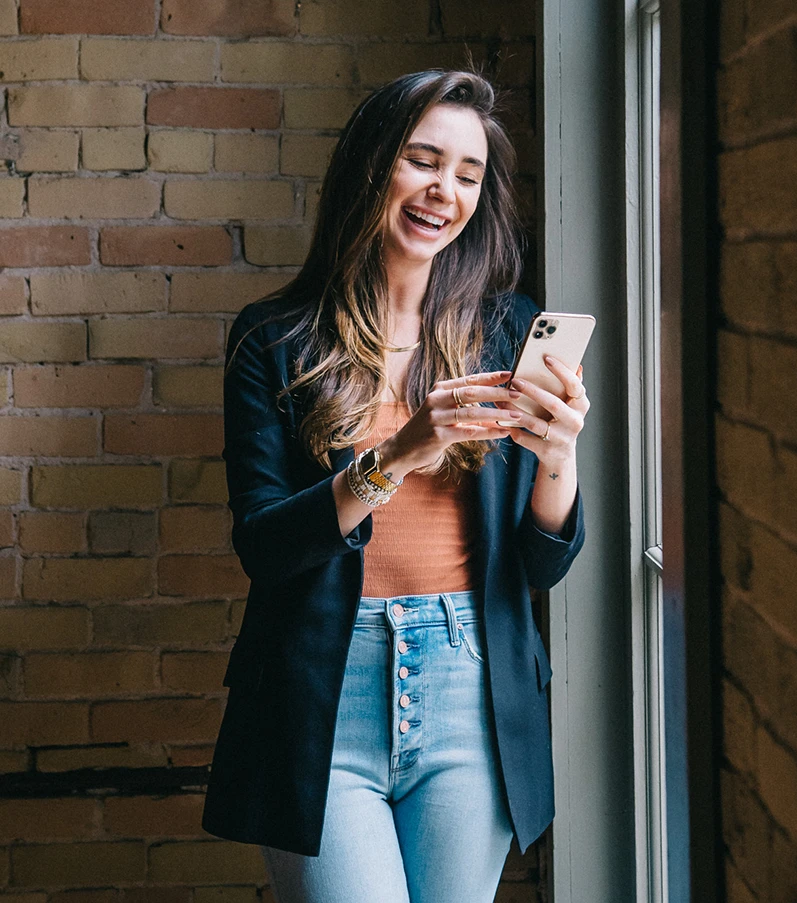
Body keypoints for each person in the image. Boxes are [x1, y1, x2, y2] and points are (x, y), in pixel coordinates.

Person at [201, 69, 589, 903]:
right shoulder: (275, 338)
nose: (444, 190)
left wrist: (558, 456)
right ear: (374, 166)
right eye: (423, 160)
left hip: (467, 685)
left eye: (468, 174)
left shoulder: (507, 330)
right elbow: (264, 546)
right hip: (320, 694)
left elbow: (541, 564)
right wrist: (395, 455)